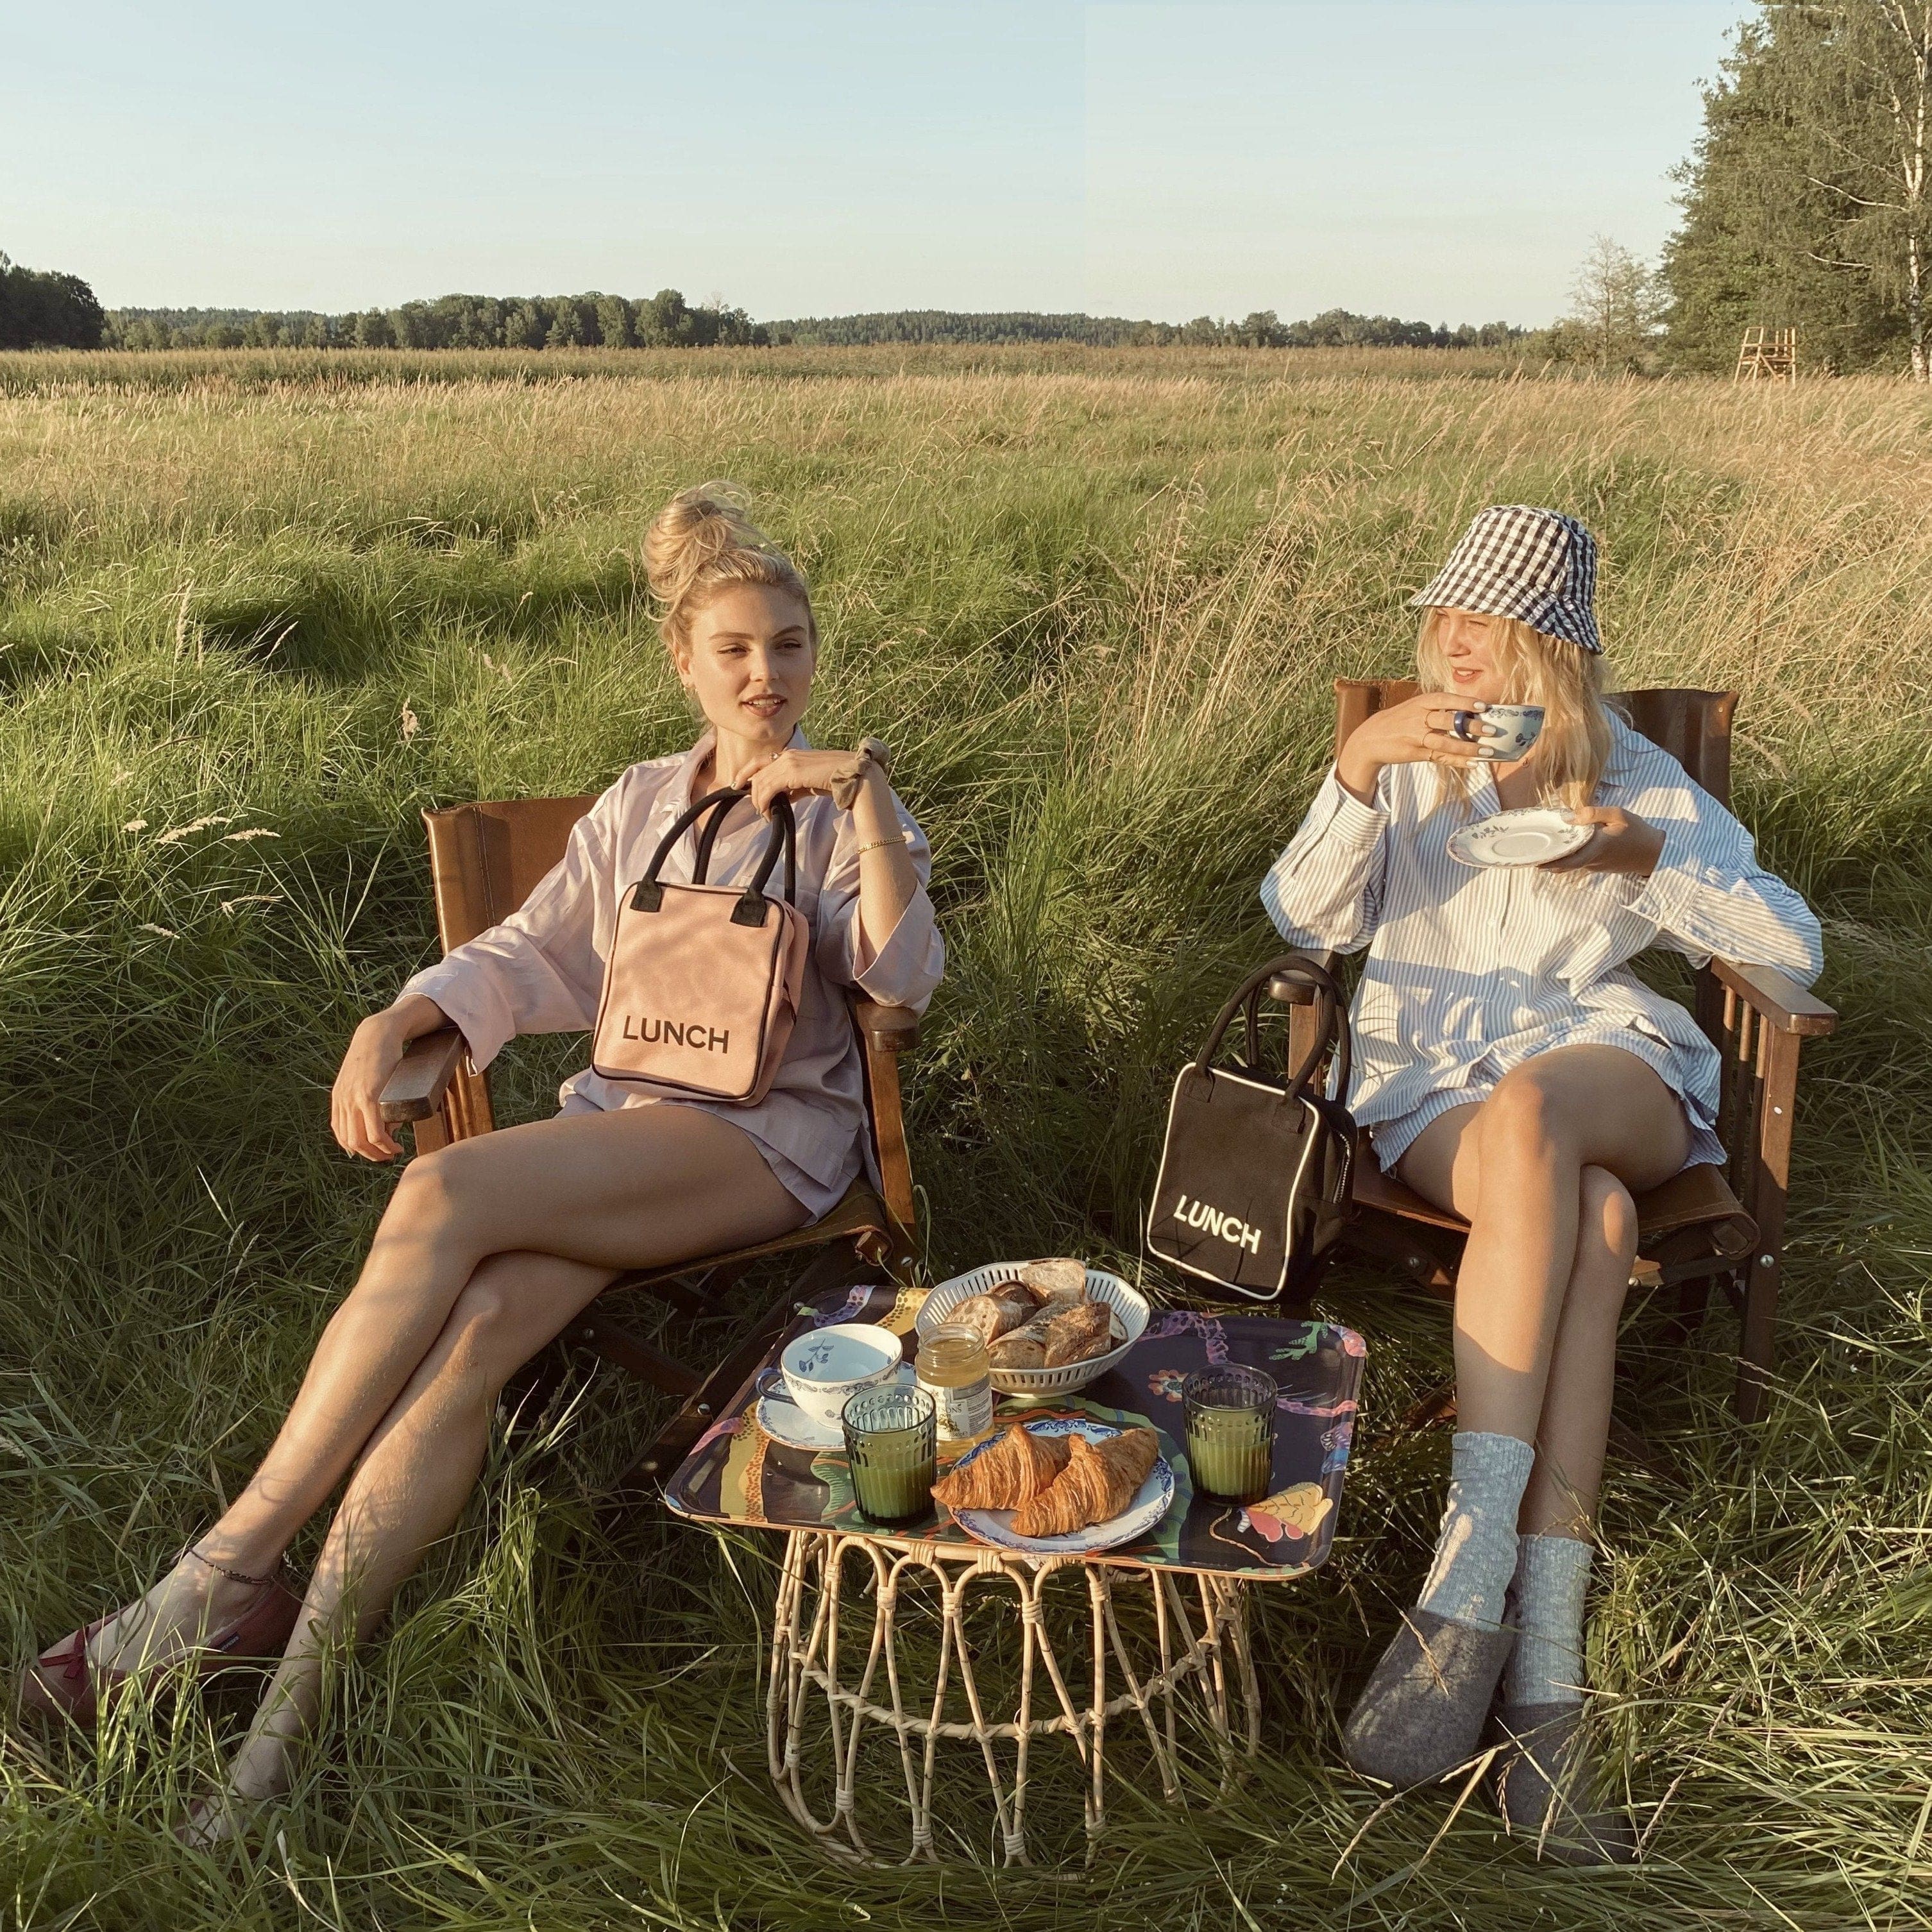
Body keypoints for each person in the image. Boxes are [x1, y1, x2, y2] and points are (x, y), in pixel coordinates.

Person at [18, 484, 944, 1842]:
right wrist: (406, 1012)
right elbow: (534, 956)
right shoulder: (640, 803)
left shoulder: (847, 804)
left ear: (816, 654)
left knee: (442, 1186)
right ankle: (278, 1738)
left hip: (769, 1143)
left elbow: (904, 985)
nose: (767, 674)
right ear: (682, 661)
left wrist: (859, 801)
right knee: (479, 1331)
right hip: (620, 1130)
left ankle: (220, 1576)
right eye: (736, 648)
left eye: (790, 644)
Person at [1258, 505, 1821, 1862]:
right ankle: (1549, 1685)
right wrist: (1352, 771)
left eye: (1489, 624)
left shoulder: (1627, 774)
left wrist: (1647, 859)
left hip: (1602, 1064)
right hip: (1434, 1087)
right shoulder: (1403, 766)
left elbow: (1793, 951)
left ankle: (1467, 1571)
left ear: (1553, 653)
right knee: (1596, 1214)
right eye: (1444, 618)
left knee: (1548, 1111)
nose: (1455, 646)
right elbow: (1304, 924)